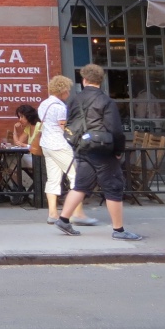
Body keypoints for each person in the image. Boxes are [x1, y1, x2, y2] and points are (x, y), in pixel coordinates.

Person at [54, 64, 142, 241]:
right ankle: (119, 230)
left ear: (84, 80)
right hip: (102, 149)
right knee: (114, 186)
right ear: (100, 81)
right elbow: (116, 130)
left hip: (81, 148)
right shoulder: (106, 101)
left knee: (81, 185)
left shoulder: (74, 100)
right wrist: (118, 151)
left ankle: (63, 219)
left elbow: (69, 124)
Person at [38, 75, 97, 226]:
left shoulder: (43, 104)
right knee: (76, 177)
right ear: (62, 90)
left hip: (46, 144)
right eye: (68, 90)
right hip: (60, 145)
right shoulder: (59, 107)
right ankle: (77, 213)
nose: (69, 93)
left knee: (53, 178)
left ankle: (52, 213)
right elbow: (64, 129)